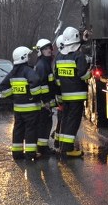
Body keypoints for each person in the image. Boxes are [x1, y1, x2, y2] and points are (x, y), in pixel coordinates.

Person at [0, 46, 44, 161]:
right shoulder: (28, 71)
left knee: (18, 130)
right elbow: (36, 82)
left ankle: (17, 154)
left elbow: (3, 87)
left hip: (18, 108)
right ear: (24, 57)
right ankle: (30, 154)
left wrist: (14, 97)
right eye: (28, 56)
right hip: (31, 108)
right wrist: (33, 96)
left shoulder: (13, 72)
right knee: (30, 130)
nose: (29, 58)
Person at [54, 26, 90, 158]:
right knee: (73, 122)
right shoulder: (78, 56)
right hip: (77, 96)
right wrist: (90, 72)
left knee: (65, 121)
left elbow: (56, 77)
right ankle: (68, 149)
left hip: (65, 96)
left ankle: (63, 147)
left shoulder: (59, 56)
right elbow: (83, 75)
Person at [33, 38, 59, 156]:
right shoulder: (42, 65)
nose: (49, 50)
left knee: (46, 123)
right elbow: (42, 85)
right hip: (44, 103)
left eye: (49, 48)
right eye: (45, 49)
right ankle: (42, 149)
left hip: (46, 101)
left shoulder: (46, 63)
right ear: (40, 51)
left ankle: (42, 147)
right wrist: (46, 101)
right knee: (44, 124)